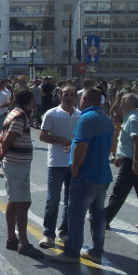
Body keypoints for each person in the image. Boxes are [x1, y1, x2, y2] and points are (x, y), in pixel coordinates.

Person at [52, 88, 114, 264]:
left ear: (84, 100)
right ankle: (96, 250)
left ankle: (72, 253)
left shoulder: (86, 119)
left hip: (87, 174)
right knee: (98, 214)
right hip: (103, 174)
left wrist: (75, 168)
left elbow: (81, 147)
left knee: (76, 213)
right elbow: (110, 146)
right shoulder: (106, 119)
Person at [0, 87, 44, 258]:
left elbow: (0, 139)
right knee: (23, 203)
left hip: (14, 164)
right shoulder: (20, 116)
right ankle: (23, 243)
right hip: (17, 165)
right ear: (30, 101)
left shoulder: (12, 114)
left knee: (14, 201)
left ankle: (12, 238)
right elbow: (8, 139)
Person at [104, 93, 138, 231]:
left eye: (122, 102)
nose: (120, 105)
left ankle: (104, 219)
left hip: (132, 161)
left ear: (131, 104)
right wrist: (119, 155)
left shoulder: (134, 119)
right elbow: (126, 141)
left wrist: (135, 162)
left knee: (118, 191)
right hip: (132, 159)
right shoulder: (131, 117)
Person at [38, 85, 80, 248]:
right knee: (53, 200)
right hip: (56, 163)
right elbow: (42, 136)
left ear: (75, 97)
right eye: (66, 94)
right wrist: (60, 140)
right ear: (60, 96)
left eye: (72, 95)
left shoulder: (80, 115)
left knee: (71, 200)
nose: (69, 97)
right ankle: (48, 234)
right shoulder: (51, 114)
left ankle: (65, 232)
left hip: (73, 163)